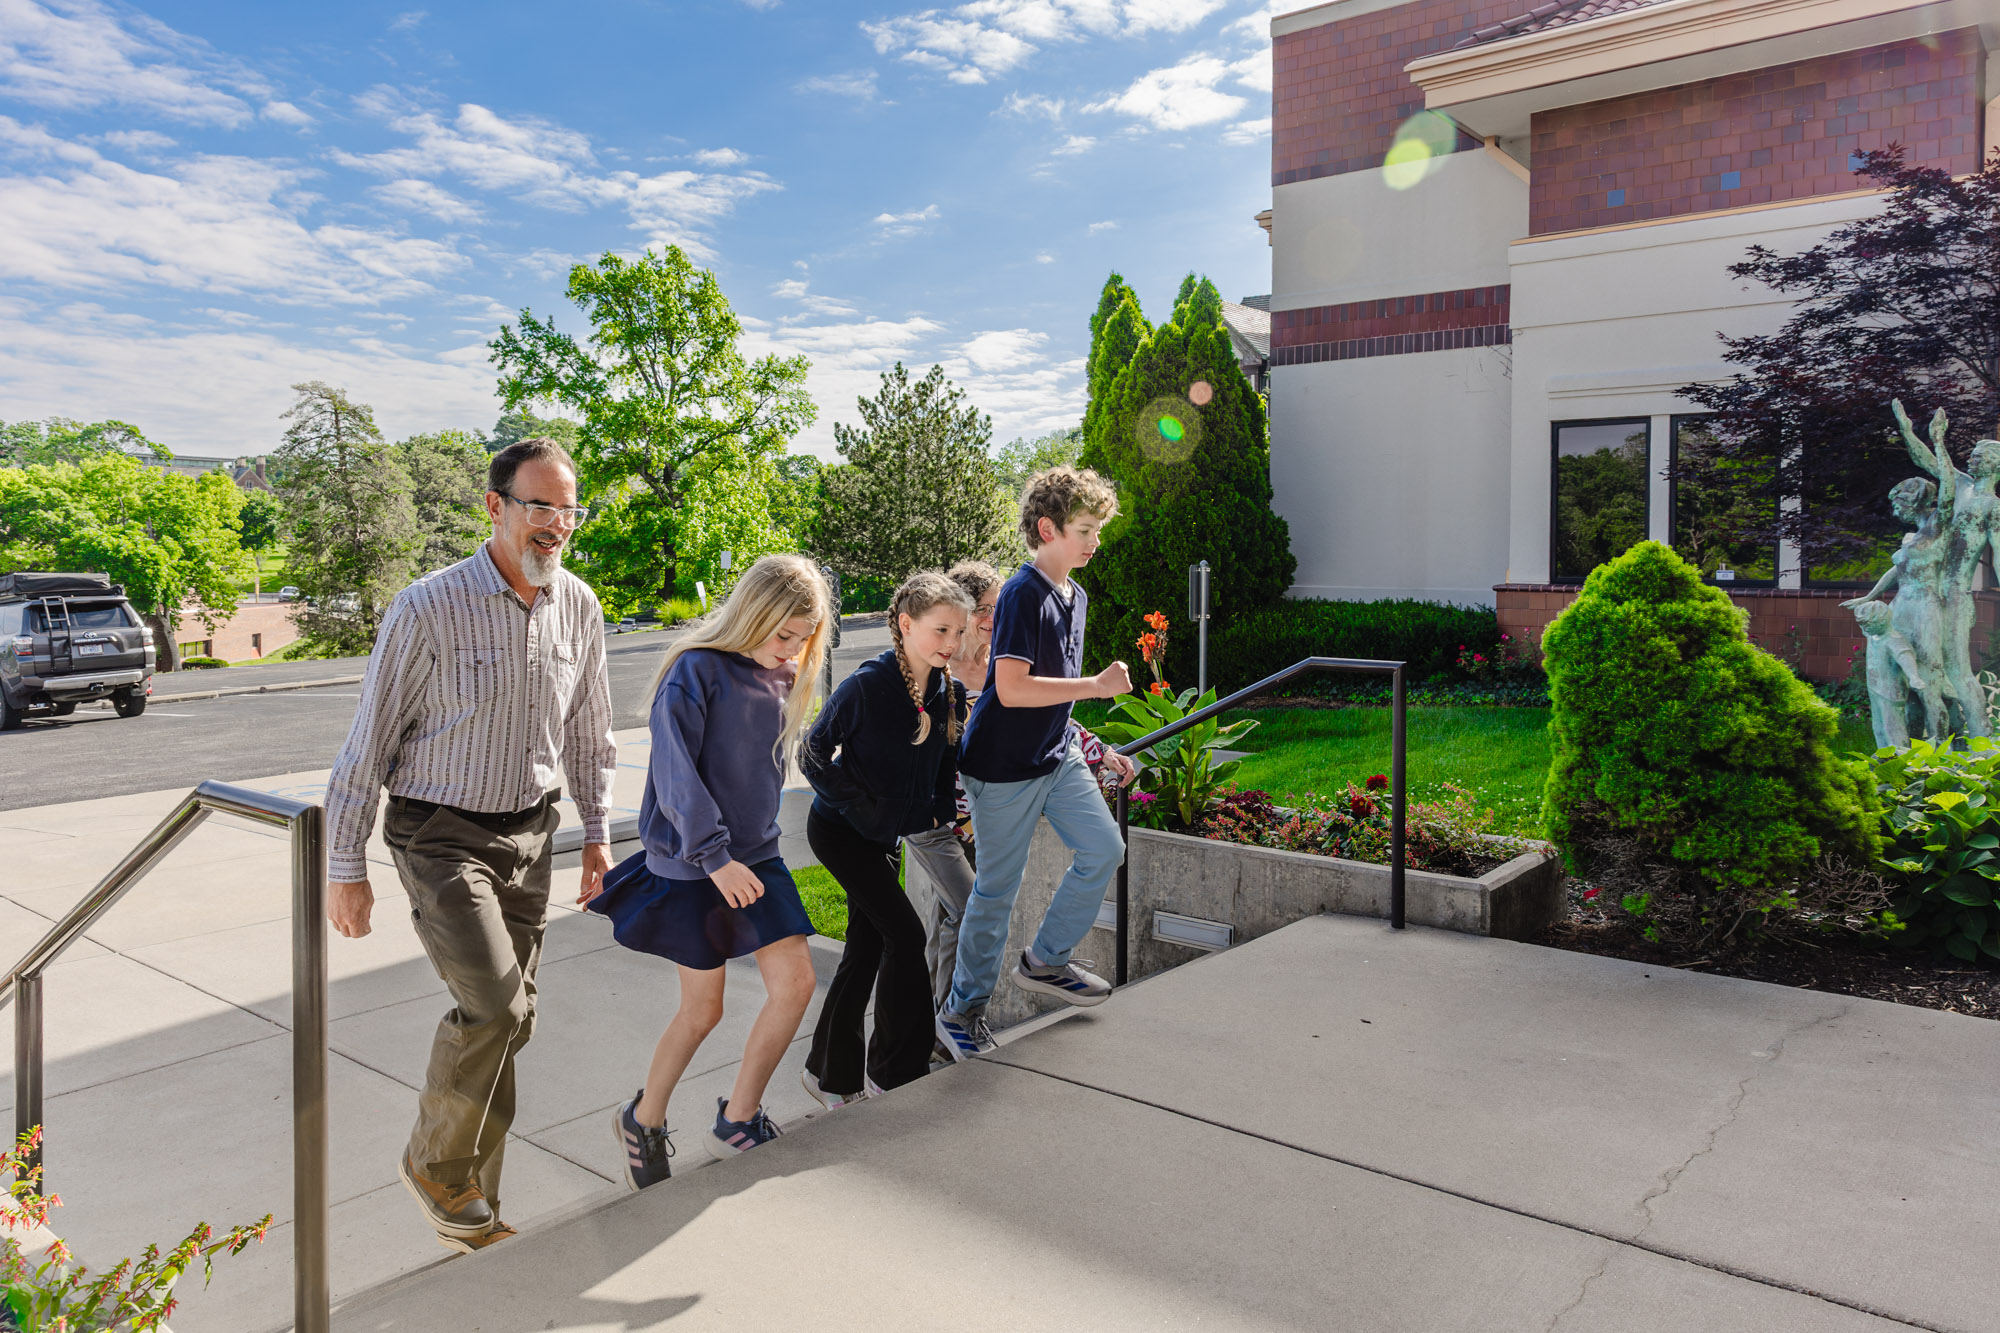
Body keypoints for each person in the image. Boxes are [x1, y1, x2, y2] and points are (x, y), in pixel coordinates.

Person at [324, 436, 616, 1253]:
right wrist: (345, 868)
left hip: (531, 830)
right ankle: (434, 1162)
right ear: (494, 506)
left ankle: (472, 1200)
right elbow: (368, 740)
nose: (556, 525)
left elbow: (590, 735)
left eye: (569, 510)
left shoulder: (579, 606)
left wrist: (597, 834)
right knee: (493, 1002)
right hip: (439, 832)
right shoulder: (429, 605)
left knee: (513, 1020)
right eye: (539, 506)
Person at [583, 554, 831, 1190]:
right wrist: (715, 858)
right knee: (703, 1011)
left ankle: (737, 1121)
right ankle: (643, 1119)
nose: (791, 652)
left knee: (796, 984)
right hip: (698, 864)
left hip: (759, 853)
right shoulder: (694, 671)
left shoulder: (783, 674)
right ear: (752, 616)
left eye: (803, 640)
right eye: (783, 636)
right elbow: (674, 777)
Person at [935, 466, 1138, 1061]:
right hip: (1001, 766)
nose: (1094, 542)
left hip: (1056, 755)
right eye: (1084, 529)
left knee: (1105, 847)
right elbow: (1014, 688)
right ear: (1047, 529)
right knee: (997, 891)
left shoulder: (1074, 594)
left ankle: (1045, 961)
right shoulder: (1024, 593)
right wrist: (1097, 687)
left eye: (1099, 529)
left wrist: (1082, 733)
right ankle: (960, 1012)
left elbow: (1047, 689)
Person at [798, 571, 972, 1105]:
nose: (951, 643)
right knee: (904, 934)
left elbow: (944, 764)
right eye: (941, 630)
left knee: (868, 944)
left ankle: (829, 1073)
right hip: (841, 832)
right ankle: (895, 1071)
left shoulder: (949, 692)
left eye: (959, 633)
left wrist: (942, 814)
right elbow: (811, 753)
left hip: (883, 838)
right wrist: (867, 808)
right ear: (905, 624)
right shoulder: (867, 687)